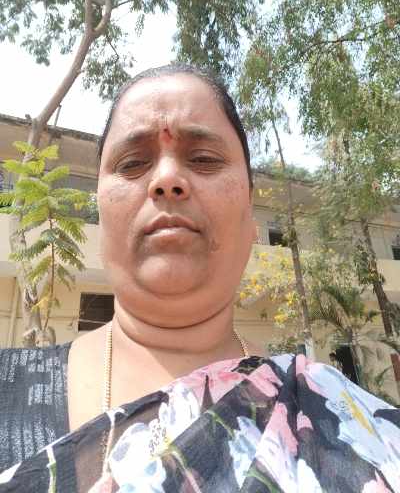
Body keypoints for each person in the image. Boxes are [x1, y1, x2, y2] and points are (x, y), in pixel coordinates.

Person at [0, 65, 399, 492]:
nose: (167, 179)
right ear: (99, 211)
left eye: (204, 159)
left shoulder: (352, 429)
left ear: (250, 214)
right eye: (132, 163)